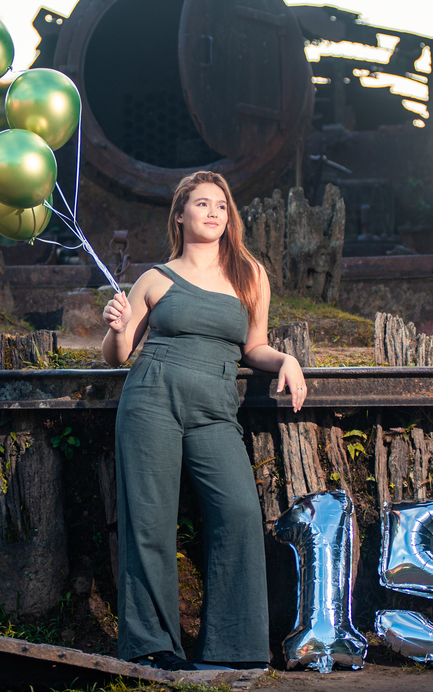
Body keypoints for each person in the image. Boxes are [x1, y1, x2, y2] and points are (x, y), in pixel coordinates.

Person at [101, 170, 308, 672]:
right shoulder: (155, 278)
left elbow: (253, 346)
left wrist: (285, 360)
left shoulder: (250, 275)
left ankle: (234, 649)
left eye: (220, 205)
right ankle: (154, 645)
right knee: (148, 520)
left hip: (216, 408)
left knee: (238, 513)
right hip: (151, 397)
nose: (213, 212)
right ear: (180, 215)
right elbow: (117, 356)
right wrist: (116, 326)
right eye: (201, 204)